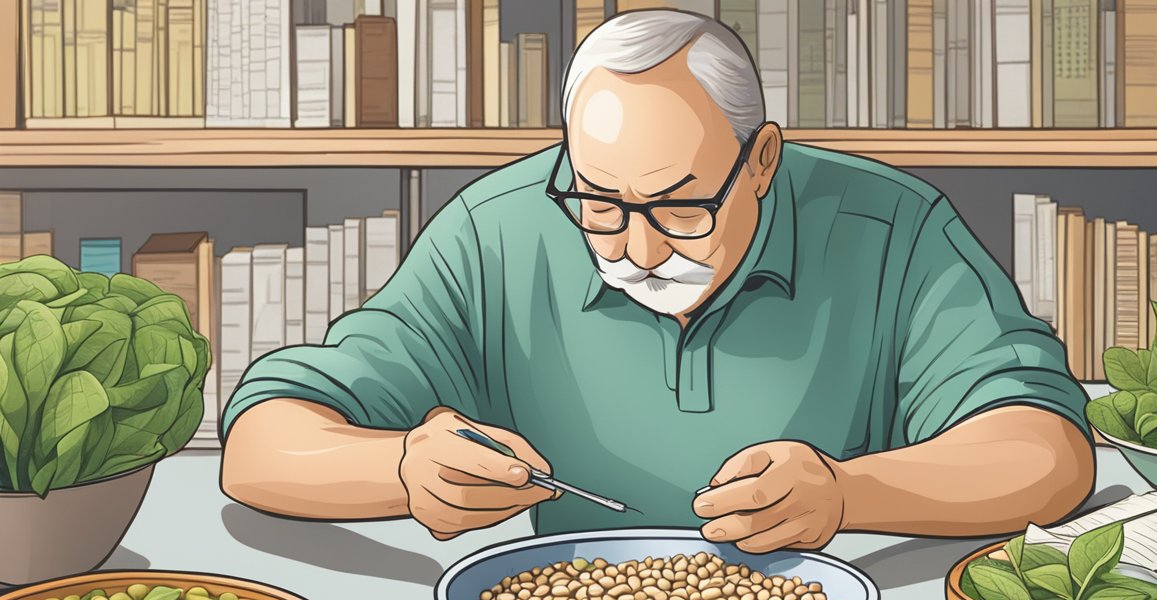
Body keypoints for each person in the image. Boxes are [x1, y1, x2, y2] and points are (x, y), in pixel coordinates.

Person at [220, 10, 1095, 553]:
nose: (636, 249)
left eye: (680, 207)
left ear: (761, 163)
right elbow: (261, 445)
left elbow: (1045, 456)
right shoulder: (499, 226)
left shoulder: (891, 227)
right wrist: (402, 471)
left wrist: (850, 494)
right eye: (599, 203)